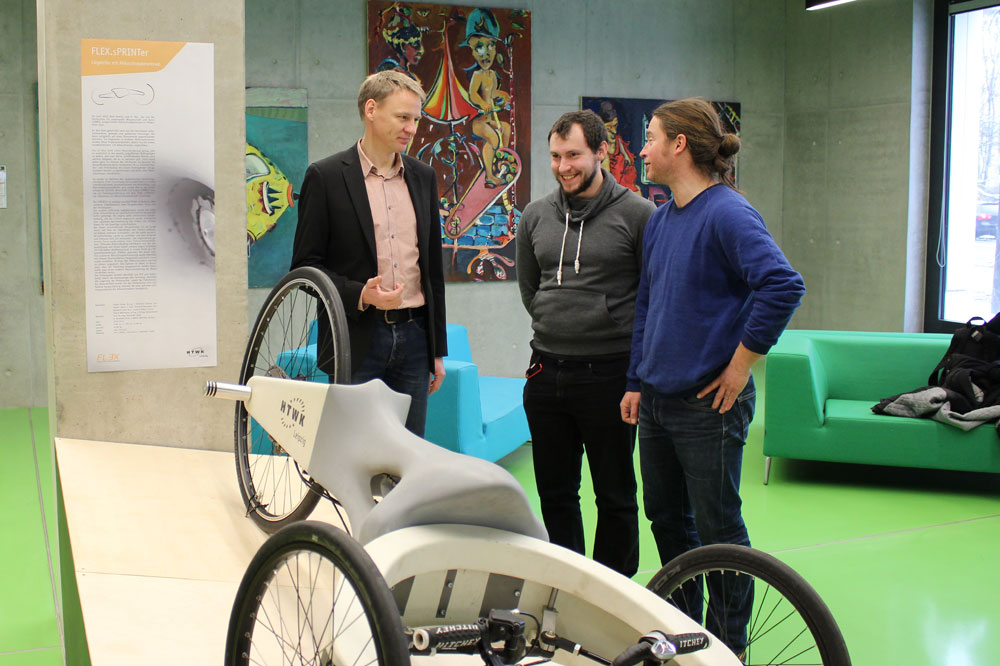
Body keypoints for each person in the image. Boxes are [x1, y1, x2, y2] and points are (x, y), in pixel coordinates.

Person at [620, 98, 804, 653]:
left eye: (650, 137)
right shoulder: (661, 219)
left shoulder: (728, 213)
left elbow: (782, 285)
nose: (642, 149)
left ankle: (727, 648)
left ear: (679, 145)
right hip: (657, 401)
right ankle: (685, 636)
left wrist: (741, 366)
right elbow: (648, 303)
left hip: (708, 406)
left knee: (719, 530)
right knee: (668, 522)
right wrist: (636, 379)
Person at [517, 110, 655, 577]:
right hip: (545, 372)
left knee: (615, 495)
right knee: (555, 493)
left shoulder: (638, 214)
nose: (563, 166)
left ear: (601, 152)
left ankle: (613, 590)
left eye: (573, 155)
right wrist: (557, 320)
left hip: (610, 375)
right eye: (556, 156)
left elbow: (651, 296)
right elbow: (530, 289)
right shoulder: (535, 215)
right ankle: (566, 586)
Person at [290, 70, 447, 437]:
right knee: (354, 451)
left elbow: (433, 272)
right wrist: (361, 293)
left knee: (408, 451)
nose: (411, 128)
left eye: (416, 119)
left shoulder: (423, 177)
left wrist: (436, 351)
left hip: (416, 338)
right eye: (403, 117)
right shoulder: (325, 176)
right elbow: (304, 269)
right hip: (356, 337)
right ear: (371, 110)